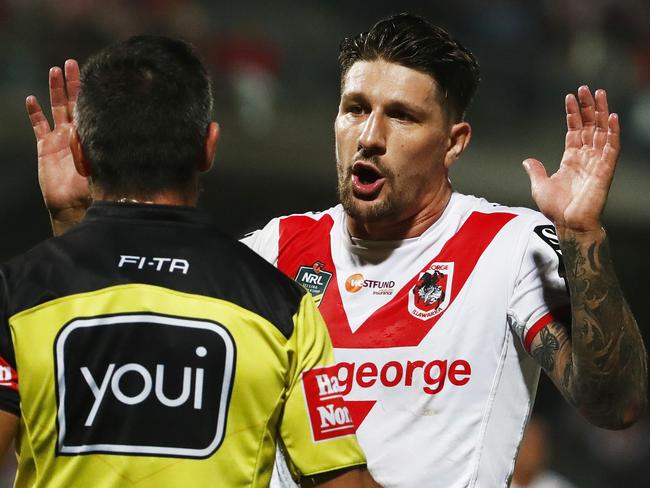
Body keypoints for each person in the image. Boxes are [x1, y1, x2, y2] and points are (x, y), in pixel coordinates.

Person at [30, 13, 647, 488]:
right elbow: (126, 373)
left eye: (402, 117)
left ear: (453, 141)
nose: (371, 137)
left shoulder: (507, 248)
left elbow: (615, 404)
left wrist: (582, 236)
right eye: (355, 108)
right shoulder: (271, 253)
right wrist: (78, 224)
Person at [8, 35, 380, 488]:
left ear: (81, 153)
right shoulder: (282, 308)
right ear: (209, 146)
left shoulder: (18, 293)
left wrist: (69, 227)